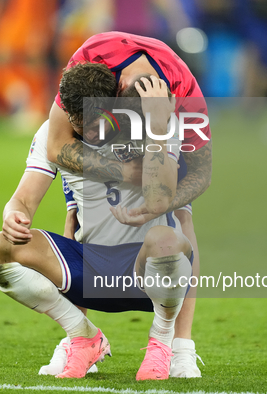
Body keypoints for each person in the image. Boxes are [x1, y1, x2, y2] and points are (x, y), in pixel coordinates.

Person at [0, 77, 194, 380]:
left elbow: (161, 195)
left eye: (96, 120)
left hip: (147, 272)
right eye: (78, 122)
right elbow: (22, 200)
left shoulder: (153, 123)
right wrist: (13, 214)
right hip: (90, 271)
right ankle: (82, 336)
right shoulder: (53, 135)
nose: (89, 131)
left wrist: (159, 130)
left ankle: (162, 343)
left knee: (166, 240)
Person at [44, 31, 212, 378]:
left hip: (162, 126)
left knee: (183, 218)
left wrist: (159, 201)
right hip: (102, 128)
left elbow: (200, 175)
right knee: (76, 211)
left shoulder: (185, 91)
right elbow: (56, 144)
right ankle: (78, 339)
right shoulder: (89, 62)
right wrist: (124, 171)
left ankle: (181, 347)